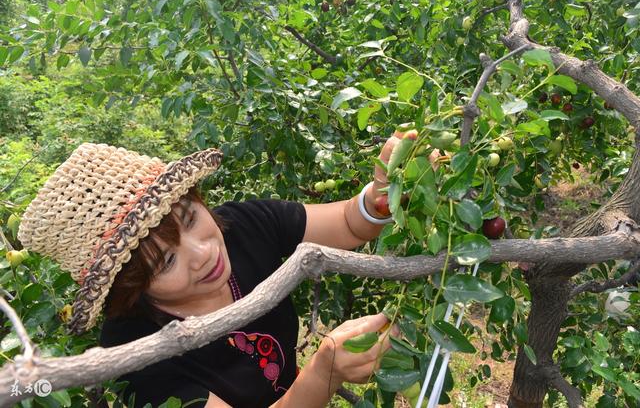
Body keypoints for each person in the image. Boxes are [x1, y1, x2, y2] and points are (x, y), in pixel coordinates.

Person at [17, 133, 407, 407]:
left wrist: (380, 197)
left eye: (189, 218)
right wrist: (325, 373)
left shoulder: (242, 226)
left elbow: (348, 223)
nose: (202, 252)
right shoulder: (135, 357)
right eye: (166, 262)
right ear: (131, 288)